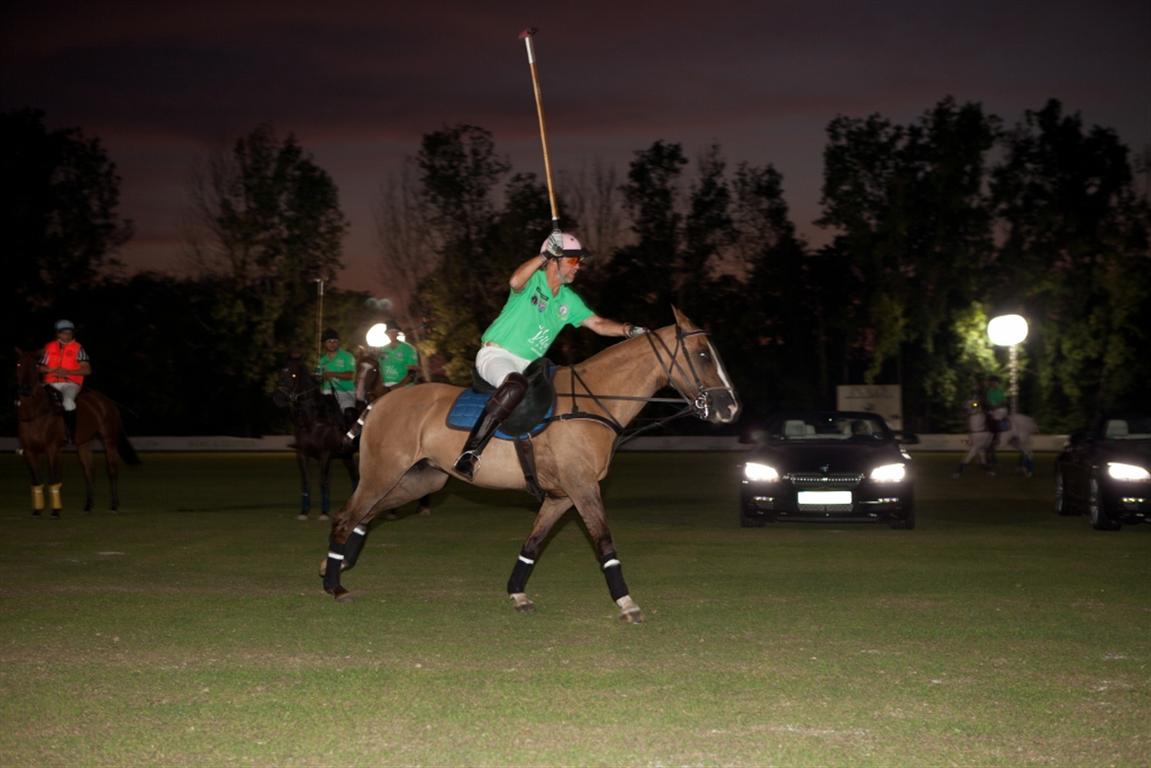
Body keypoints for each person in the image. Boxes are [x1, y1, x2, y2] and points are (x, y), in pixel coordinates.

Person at [453, 231, 647, 479]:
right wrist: (543, 254)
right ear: (555, 260)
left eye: (579, 262)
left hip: (529, 365)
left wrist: (627, 329)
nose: (579, 267)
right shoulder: (533, 281)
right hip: (497, 355)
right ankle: (470, 453)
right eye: (574, 261)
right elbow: (514, 281)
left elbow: (597, 324)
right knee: (515, 385)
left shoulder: (569, 300)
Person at [38, 319, 91, 443]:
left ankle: (71, 434)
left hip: (70, 384)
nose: (67, 335)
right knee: (27, 398)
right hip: (49, 383)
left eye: (69, 332)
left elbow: (87, 370)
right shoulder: (49, 347)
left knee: (68, 403)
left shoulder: (78, 348)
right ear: (58, 334)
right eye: (64, 332)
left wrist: (68, 372)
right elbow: (39, 367)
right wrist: (51, 370)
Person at [315, 328, 356, 422]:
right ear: (324, 344)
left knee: (349, 416)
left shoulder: (347, 356)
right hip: (327, 393)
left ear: (338, 343)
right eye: (329, 341)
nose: (332, 344)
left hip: (345, 392)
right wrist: (320, 377)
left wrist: (331, 374)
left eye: (335, 341)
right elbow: (318, 379)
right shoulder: (322, 361)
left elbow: (350, 375)